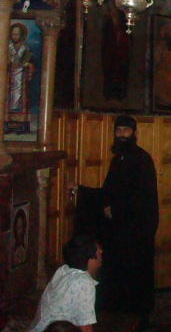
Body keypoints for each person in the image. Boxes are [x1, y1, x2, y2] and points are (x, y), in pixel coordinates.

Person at [70, 115, 159, 324]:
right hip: (120, 227)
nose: (121, 135)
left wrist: (116, 210)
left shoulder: (141, 159)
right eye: (118, 131)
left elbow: (142, 196)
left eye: (126, 131)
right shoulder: (117, 160)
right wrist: (82, 191)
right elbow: (110, 192)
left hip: (136, 228)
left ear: (134, 134)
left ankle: (138, 313)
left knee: (136, 272)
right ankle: (117, 308)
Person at [28, 235, 102, 332]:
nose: (101, 252)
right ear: (90, 258)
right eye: (98, 251)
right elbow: (85, 327)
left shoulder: (63, 270)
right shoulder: (83, 282)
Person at [6, 22, 35, 134]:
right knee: (8, 99)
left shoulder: (25, 47)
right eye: (13, 34)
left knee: (21, 100)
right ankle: (8, 124)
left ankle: (21, 126)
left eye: (17, 34)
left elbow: (31, 63)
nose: (15, 37)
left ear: (21, 35)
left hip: (21, 77)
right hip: (9, 77)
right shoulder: (7, 46)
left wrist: (27, 65)